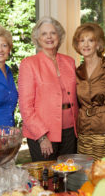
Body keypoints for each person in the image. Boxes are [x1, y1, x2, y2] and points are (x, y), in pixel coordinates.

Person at [18, 16, 78, 162]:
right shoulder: (29, 64)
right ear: (38, 39)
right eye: (44, 34)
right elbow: (26, 107)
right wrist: (41, 136)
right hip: (44, 133)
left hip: (70, 130)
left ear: (59, 36)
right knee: (48, 178)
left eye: (53, 33)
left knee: (68, 176)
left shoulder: (69, 62)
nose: (49, 37)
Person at [72, 23, 105, 160]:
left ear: (98, 44)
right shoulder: (77, 72)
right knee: (86, 176)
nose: (86, 45)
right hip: (84, 134)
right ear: (78, 45)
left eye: (90, 40)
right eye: (82, 41)